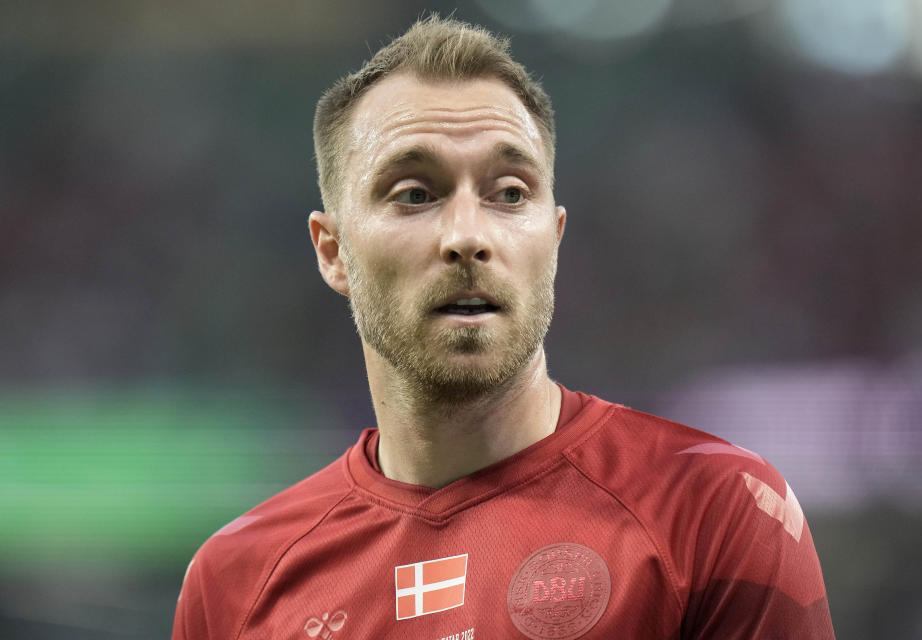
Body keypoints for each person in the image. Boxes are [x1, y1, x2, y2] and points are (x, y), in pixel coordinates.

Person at [171, 15, 834, 640]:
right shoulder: (236, 582)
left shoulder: (714, 512)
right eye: (415, 195)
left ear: (554, 236)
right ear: (333, 252)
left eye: (510, 193)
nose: (467, 236)